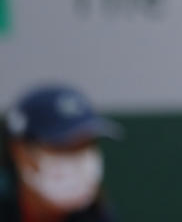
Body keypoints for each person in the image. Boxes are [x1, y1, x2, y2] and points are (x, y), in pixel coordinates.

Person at [1, 84, 121, 222]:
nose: (80, 160)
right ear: (20, 153)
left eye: (86, 145)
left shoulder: (97, 215)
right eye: (62, 146)